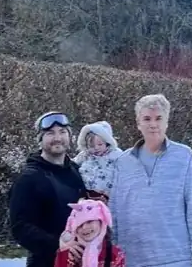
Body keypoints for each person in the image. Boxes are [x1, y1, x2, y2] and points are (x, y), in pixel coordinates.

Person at [109, 94, 192, 267]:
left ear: (166, 122)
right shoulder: (123, 162)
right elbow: (115, 209)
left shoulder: (184, 156)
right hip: (131, 259)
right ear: (138, 123)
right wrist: (112, 249)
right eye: (147, 119)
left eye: (158, 118)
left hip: (175, 259)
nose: (153, 124)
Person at [8, 112, 88, 267]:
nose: (57, 138)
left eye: (62, 132)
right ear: (40, 139)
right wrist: (58, 245)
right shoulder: (29, 178)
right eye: (50, 133)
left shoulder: (75, 171)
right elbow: (20, 227)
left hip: (79, 260)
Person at [55, 199, 126, 267]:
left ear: (101, 223)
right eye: (80, 225)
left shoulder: (115, 254)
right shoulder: (70, 252)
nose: (84, 227)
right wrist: (63, 252)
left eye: (89, 221)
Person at [73, 121, 123, 202]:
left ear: (107, 142)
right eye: (91, 146)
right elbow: (72, 164)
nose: (96, 148)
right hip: (87, 195)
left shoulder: (116, 154)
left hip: (108, 196)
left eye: (100, 144)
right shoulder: (85, 155)